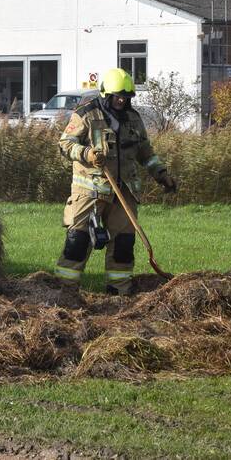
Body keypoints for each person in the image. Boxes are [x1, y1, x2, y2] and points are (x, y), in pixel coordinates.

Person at [55, 68, 177, 295]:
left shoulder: (134, 119)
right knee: (78, 242)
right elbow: (65, 144)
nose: (122, 100)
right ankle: (65, 292)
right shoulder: (86, 115)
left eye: (126, 97)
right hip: (89, 192)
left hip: (124, 192)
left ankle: (118, 294)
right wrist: (87, 154)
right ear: (106, 95)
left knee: (123, 244)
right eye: (118, 96)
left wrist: (161, 173)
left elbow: (145, 152)